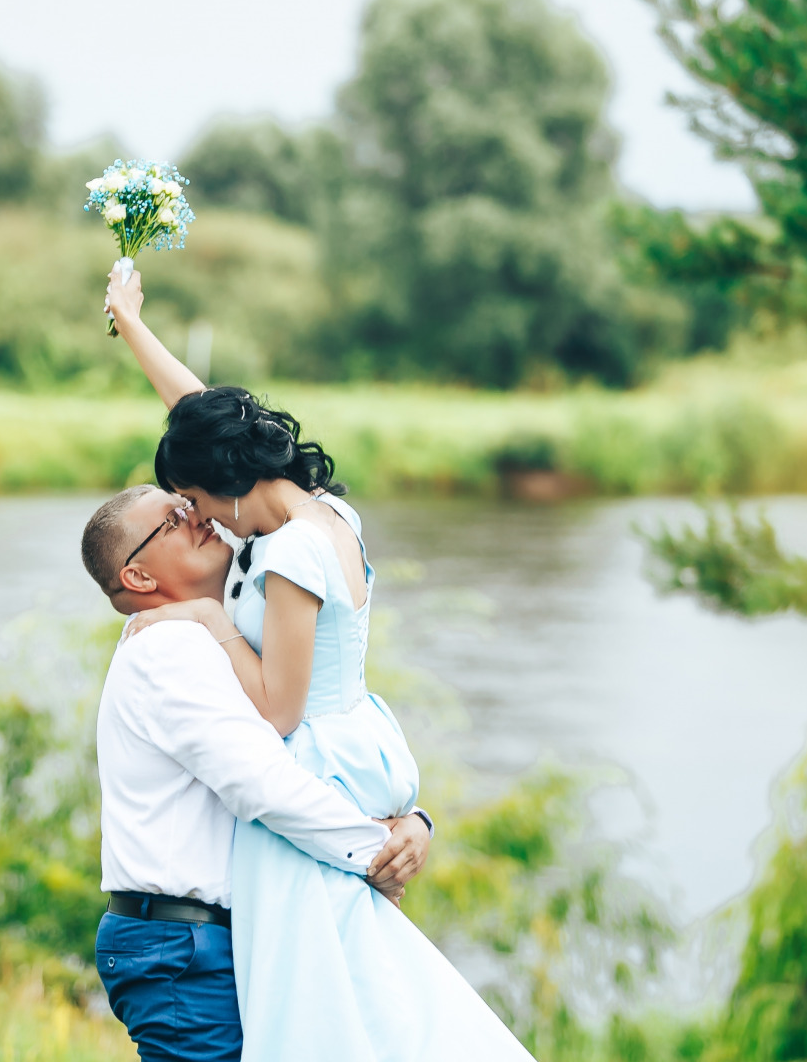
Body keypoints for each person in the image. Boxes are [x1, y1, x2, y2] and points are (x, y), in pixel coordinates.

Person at [104, 268, 534, 1060]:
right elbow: (199, 417)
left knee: (315, 1005)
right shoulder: (322, 510)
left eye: (193, 501)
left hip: (315, 755)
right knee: (356, 984)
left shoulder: (291, 555)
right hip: (358, 746)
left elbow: (276, 713)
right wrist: (132, 325)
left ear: (226, 488)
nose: (194, 517)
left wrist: (204, 615)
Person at [80, 483, 434, 1062]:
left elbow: (310, 756)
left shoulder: (216, 639)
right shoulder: (169, 649)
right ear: (139, 578)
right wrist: (379, 853)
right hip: (182, 946)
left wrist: (412, 822)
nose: (194, 516)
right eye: (172, 519)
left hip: (219, 936)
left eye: (188, 505)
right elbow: (263, 785)